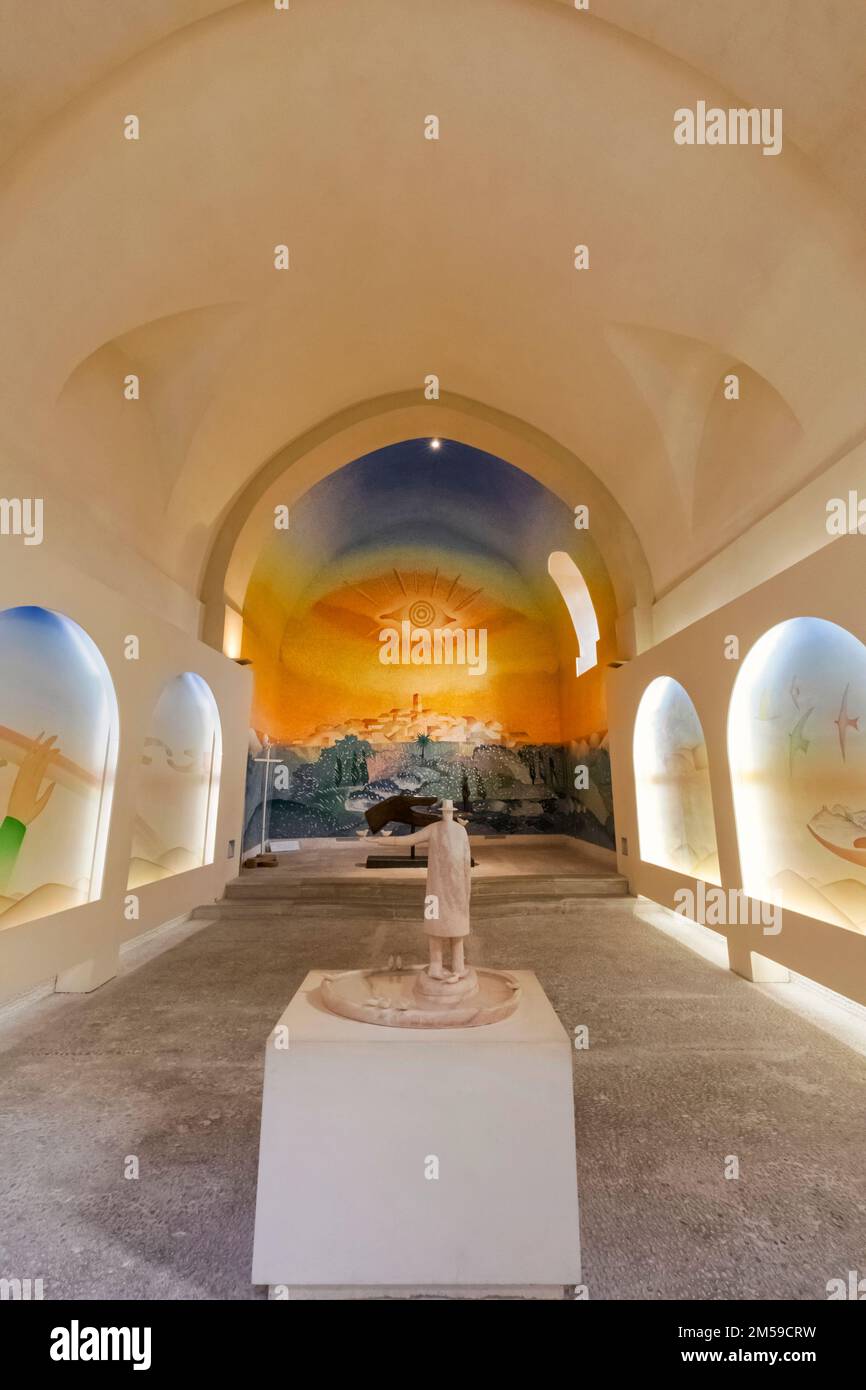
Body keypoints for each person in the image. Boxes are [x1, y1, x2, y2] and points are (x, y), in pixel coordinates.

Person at [400, 799, 472, 981]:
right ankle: (435, 965)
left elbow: (466, 861)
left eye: (449, 811)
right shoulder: (434, 829)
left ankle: (458, 966)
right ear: (442, 812)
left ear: (452, 812)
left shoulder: (460, 831)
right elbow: (409, 840)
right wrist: (379, 841)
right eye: (445, 811)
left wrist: (467, 888)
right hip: (435, 889)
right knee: (434, 924)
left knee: (457, 926)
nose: (447, 814)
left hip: (455, 888)